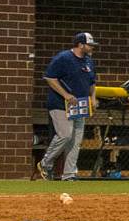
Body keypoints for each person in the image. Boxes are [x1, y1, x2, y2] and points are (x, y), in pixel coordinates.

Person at [36, 31, 99, 182]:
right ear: (80, 44)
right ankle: (45, 164)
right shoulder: (63, 58)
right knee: (65, 134)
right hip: (59, 104)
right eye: (89, 45)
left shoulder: (89, 61)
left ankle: (69, 174)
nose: (92, 48)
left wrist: (93, 98)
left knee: (75, 141)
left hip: (80, 105)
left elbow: (92, 82)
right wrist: (65, 95)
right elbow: (50, 78)